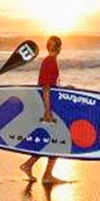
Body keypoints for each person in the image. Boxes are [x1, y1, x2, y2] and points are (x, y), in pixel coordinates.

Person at [20, 35, 67, 185]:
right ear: (59, 48)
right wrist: (47, 111)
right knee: (58, 141)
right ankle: (45, 174)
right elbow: (46, 88)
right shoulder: (50, 62)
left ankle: (30, 165)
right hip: (47, 106)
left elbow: (49, 86)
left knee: (52, 140)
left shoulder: (49, 61)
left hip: (46, 104)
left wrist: (65, 89)